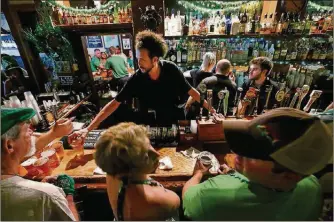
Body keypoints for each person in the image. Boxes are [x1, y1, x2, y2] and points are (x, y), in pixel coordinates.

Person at [182, 108, 333, 221]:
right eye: (246, 141)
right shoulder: (312, 186)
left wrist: (198, 174)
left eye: (253, 152)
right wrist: (234, 174)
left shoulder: (211, 197)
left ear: (289, 175)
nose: (237, 152)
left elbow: (188, 197)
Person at [69, 30, 213, 144]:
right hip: (149, 125)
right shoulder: (137, 78)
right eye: (137, 59)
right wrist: (87, 129)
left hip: (173, 121)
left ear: (155, 60)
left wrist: (211, 109)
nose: (138, 63)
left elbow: (192, 92)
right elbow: (113, 104)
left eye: (142, 60)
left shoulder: (171, 69)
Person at [1, 107, 79, 221]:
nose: (32, 132)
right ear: (9, 146)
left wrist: (32, 183)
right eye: (27, 129)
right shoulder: (47, 195)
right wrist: (69, 197)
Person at [94, 122, 180, 220]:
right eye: (146, 156)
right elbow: (177, 201)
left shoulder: (114, 172)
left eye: (149, 144)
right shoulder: (152, 200)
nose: (157, 154)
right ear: (133, 168)